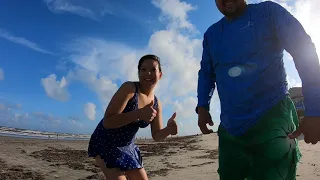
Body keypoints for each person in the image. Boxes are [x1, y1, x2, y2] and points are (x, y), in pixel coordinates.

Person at [196, 0, 320, 179]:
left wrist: (315, 110)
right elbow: (207, 73)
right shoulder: (211, 34)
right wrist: (202, 106)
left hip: (273, 116)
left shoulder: (268, 12)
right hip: (230, 129)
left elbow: (303, 49)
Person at [88, 54, 178, 180]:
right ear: (138, 73)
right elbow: (108, 121)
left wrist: (169, 130)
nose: (148, 73)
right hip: (106, 142)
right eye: (143, 70)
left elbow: (157, 135)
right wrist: (139, 113)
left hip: (128, 146)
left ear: (160, 75)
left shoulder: (157, 103)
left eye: (153, 70)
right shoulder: (129, 88)